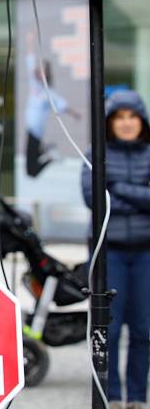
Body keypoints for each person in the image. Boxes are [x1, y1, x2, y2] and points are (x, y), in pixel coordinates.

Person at [82, 89, 150, 409]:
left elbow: (108, 196)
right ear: (110, 122)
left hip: (146, 253)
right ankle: (113, 395)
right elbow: (92, 199)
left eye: (132, 116)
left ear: (141, 121)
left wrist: (117, 188)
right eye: (119, 117)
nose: (126, 123)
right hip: (110, 256)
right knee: (109, 326)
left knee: (143, 329)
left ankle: (136, 398)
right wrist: (140, 195)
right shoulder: (96, 153)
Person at [25, 50, 81, 177]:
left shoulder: (49, 92)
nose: (38, 72)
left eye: (42, 71)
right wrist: (29, 45)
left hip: (36, 132)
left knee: (31, 171)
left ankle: (50, 156)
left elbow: (63, 105)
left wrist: (75, 114)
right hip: (31, 130)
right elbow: (29, 63)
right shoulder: (34, 85)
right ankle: (47, 150)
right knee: (32, 165)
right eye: (38, 70)